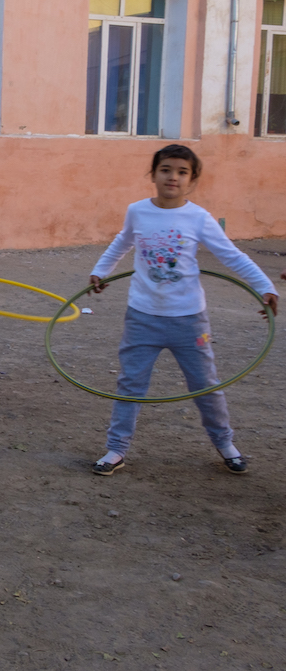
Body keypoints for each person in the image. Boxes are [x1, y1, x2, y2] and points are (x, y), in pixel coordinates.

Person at [87, 144, 278, 476]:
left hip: (189, 320)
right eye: (165, 169)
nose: (172, 177)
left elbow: (231, 255)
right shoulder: (137, 211)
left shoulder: (198, 218)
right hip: (142, 316)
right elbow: (123, 241)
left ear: (192, 179)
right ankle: (116, 449)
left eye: (181, 172)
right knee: (130, 385)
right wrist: (100, 271)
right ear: (153, 174)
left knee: (205, 385)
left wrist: (265, 287)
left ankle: (225, 444)